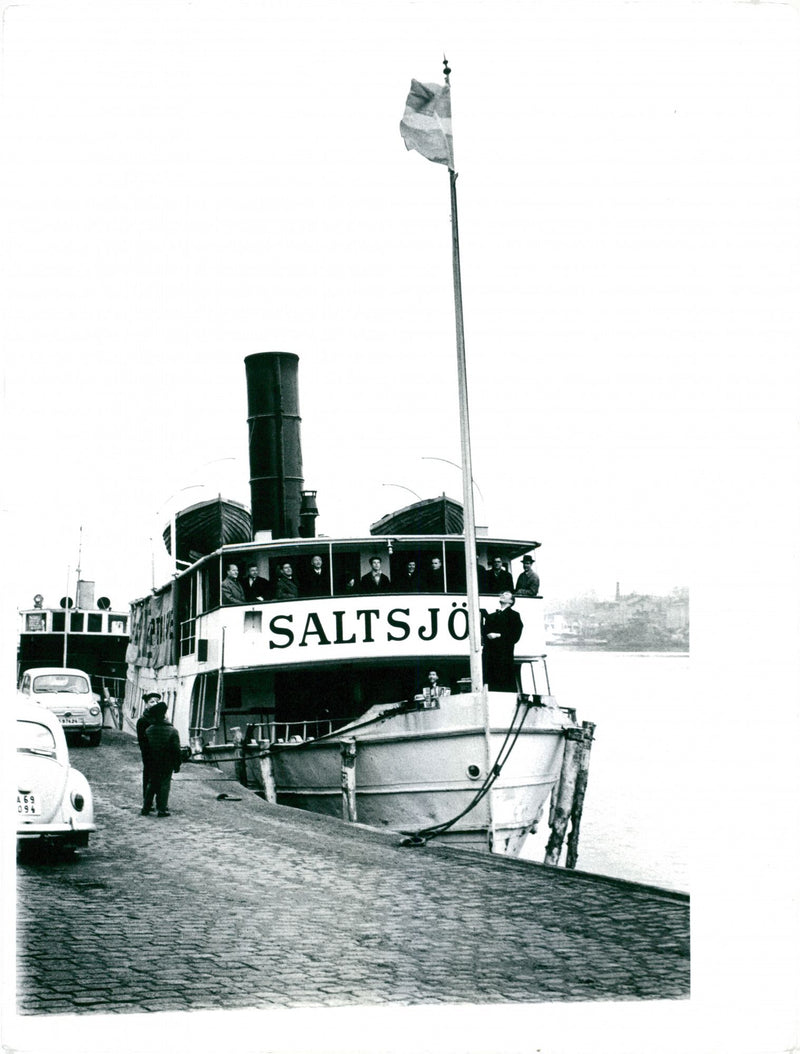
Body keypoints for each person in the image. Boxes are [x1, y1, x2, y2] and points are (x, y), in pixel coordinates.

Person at [141, 701, 182, 817]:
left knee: (152, 784)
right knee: (164, 785)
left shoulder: (149, 730)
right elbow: (176, 750)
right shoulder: (172, 731)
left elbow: (146, 749)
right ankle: (162, 809)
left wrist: (147, 762)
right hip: (166, 763)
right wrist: (177, 764)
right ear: (164, 715)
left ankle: (146, 808)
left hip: (152, 762)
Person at [481, 591, 523, 692]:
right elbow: (485, 632)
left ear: (511, 601)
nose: (503, 595)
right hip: (489, 655)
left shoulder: (514, 615)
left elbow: (515, 635)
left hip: (503, 656)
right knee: (490, 682)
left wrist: (498, 635)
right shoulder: (491, 616)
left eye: (507, 594)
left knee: (504, 683)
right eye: (502, 594)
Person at [136, 693, 160, 808]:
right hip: (149, 753)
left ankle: (159, 801)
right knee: (148, 777)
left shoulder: (160, 718)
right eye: (152, 701)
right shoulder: (143, 720)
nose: (155, 703)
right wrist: (148, 753)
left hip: (160, 753)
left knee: (159, 777)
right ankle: (147, 801)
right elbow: (142, 740)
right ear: (146, 704)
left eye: (157, 701)